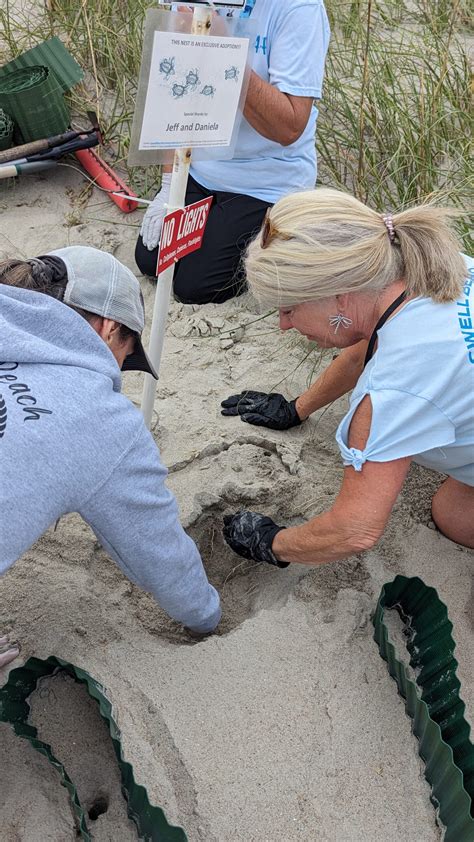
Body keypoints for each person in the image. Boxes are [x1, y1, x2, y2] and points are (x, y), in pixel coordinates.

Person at [220, 188, 474, 568]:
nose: (284, 324)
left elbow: (355, 529)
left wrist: (272, 543)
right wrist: (296, 409)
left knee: (454, 516)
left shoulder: (389, 392)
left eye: (289, 309)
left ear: (339, 295)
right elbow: (367, 348)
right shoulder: (433, 264)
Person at [0, 246, 220, 668]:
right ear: (107, 326)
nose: (118, 368)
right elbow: (157, 553)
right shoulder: (99, 418)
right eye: (127, 350)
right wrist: (206, 617)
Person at [135, 0, 330, 304]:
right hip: (201, 167)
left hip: (266, 180)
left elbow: (289, 128)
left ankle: (287, 231)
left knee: (196, 285)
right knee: (152, 260)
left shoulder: (299, 8)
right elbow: (173, 94)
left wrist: (225, 52)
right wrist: (168, 187)